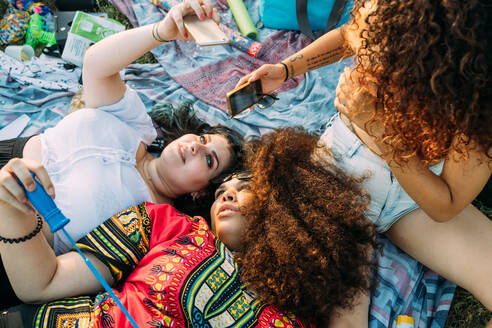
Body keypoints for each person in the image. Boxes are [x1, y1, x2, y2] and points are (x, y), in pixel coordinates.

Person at [237, 0, 492, 323]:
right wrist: (286, 69)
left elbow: (447, 204)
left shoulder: (479, 103)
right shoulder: (393, 16)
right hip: (340, 177)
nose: (370, 67)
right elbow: (349, 35)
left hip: (416, 199)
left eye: (391, 67)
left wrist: (381, 132)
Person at [0, 127, 377, 327]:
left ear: (285, 214)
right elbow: (41, 283)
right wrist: (13, 208)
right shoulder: (165, 223)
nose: (225, 197)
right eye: (221, 191)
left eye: (244, 189)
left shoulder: (292, 313)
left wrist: (352, 243)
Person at [0, 0, 243, 309]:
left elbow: (50, 279)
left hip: (13, 233)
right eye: (203, 138)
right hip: (9, 155)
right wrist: (161, 31)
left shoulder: (155, 227)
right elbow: (96, 65)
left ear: (200, 193)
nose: (196, 146)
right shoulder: (139, 128)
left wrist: (12, 215)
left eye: (209, 159)